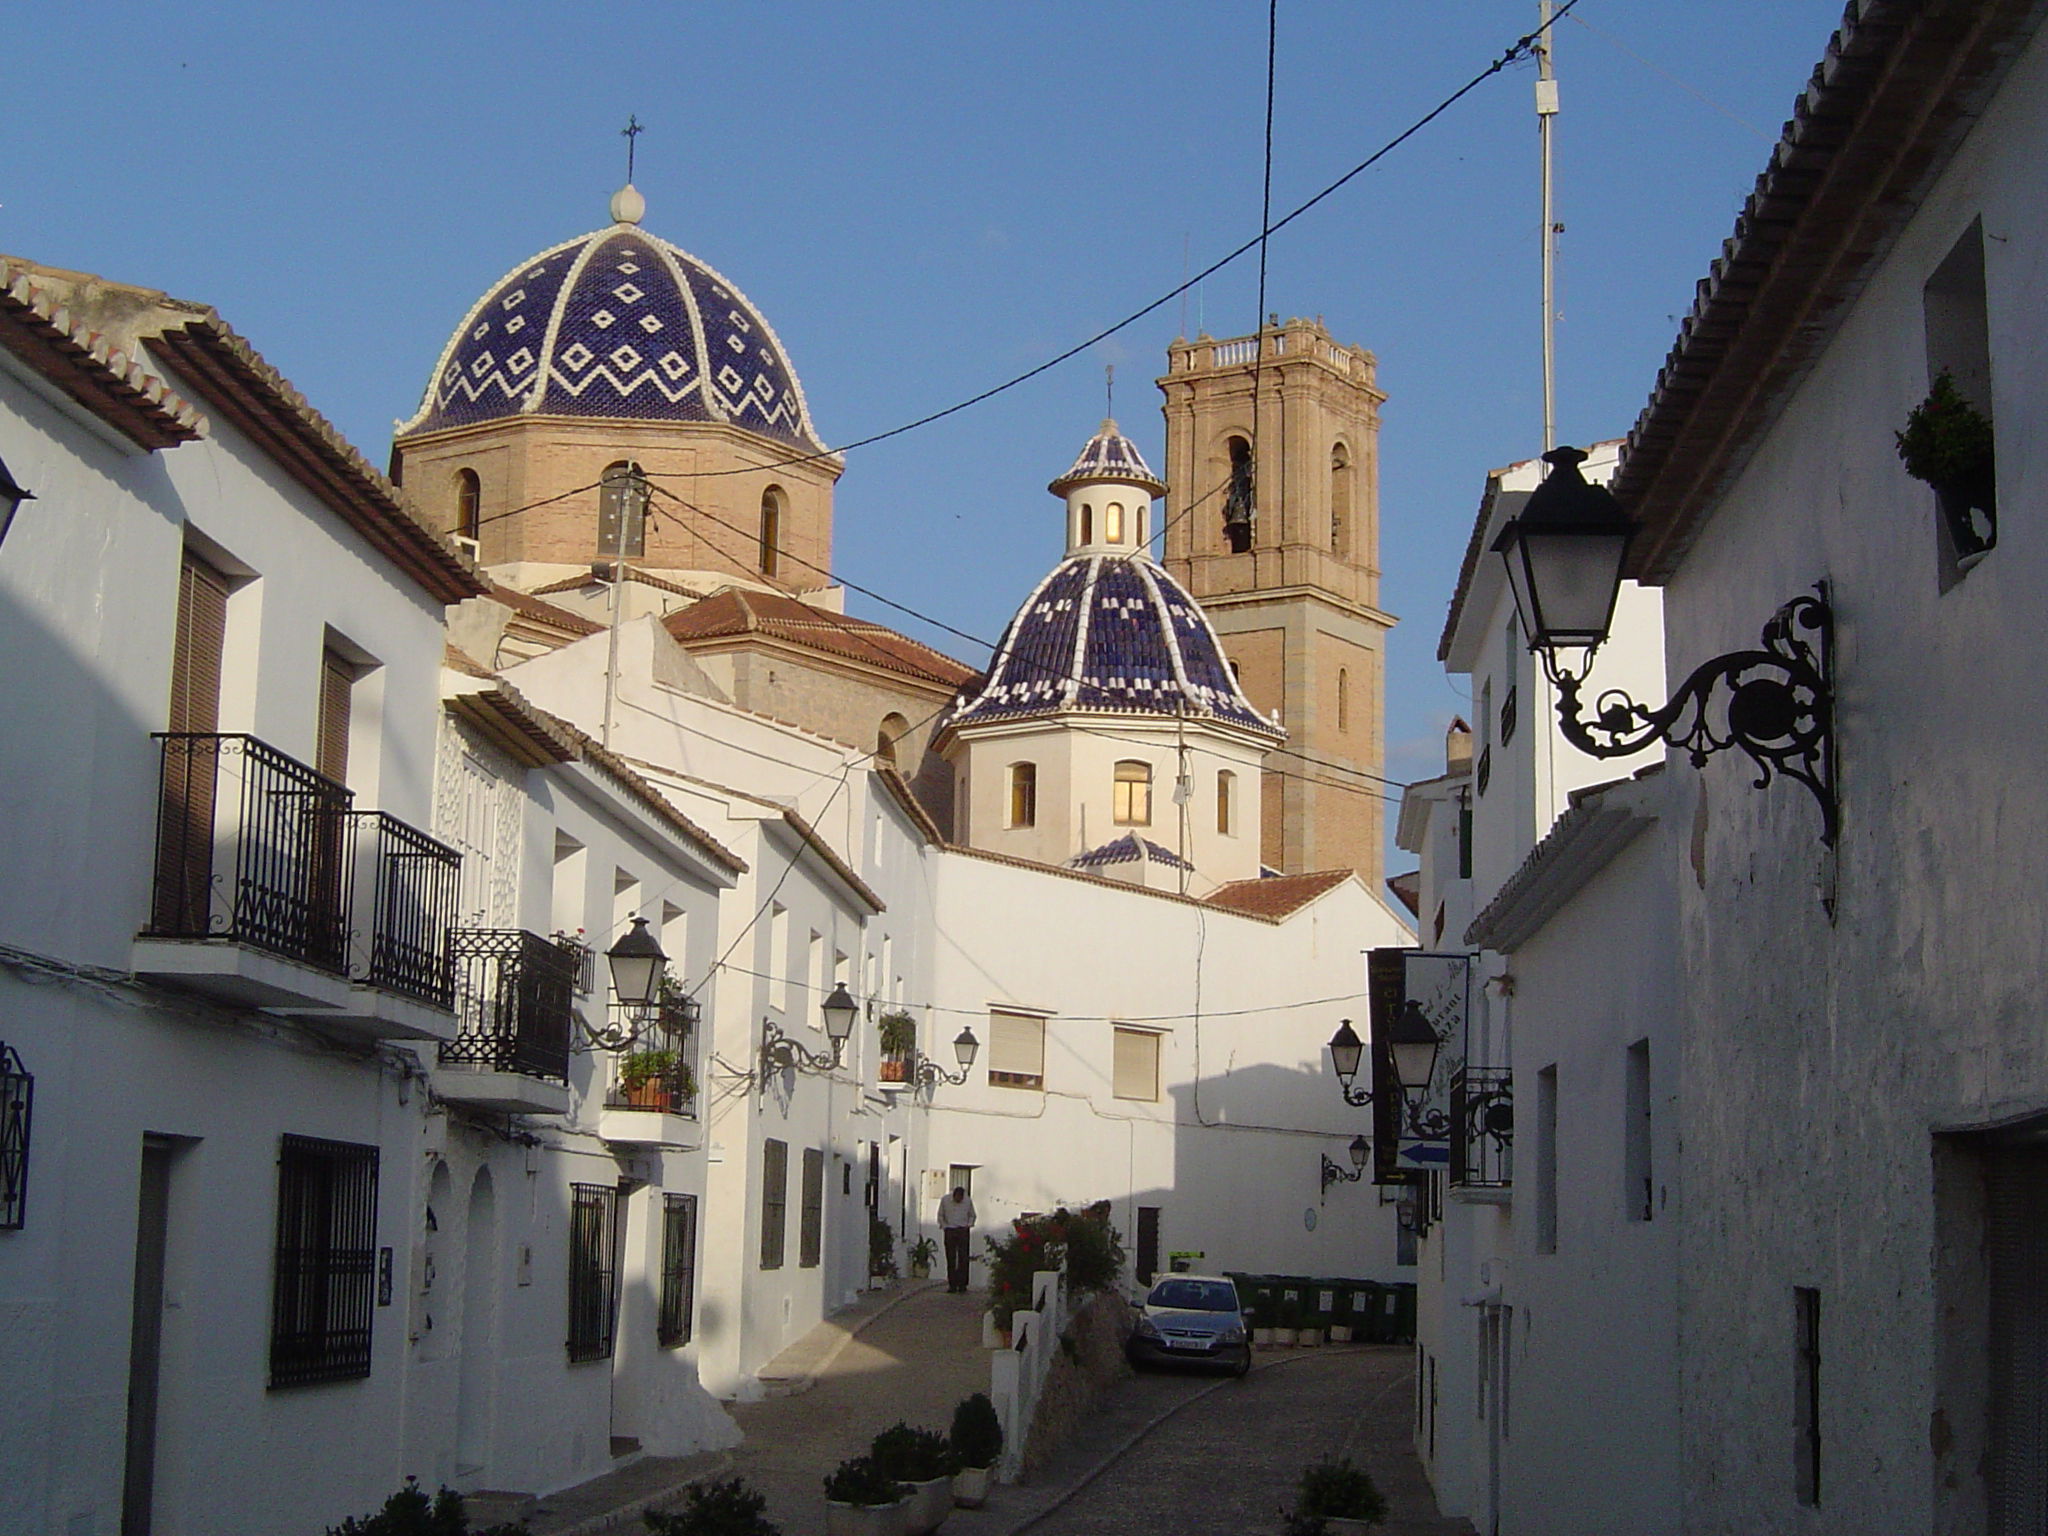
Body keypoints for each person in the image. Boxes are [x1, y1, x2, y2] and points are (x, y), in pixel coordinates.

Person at [937, 1184, 976, 1293]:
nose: (959, 1200)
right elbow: (940, 1215)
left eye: (961, 1198)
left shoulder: (968, 1201)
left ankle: (962, 1284)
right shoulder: (945, 1200)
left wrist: (968, 1225)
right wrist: (945, 1226)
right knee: (951, 1257)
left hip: (963, 1230)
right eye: (957, 1198)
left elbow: (972, 1215)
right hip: (950, 1230)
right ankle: (952, 1284)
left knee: (963, 1258)